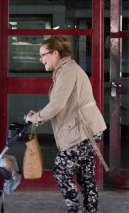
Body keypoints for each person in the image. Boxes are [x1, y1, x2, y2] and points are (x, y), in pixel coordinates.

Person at [25, 36, 107, 213]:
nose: (41, 59)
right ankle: (90, 211)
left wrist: (36, 118)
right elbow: (62, 102)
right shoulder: (66, 70)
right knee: (86, 175)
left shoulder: (67, 70)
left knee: (61, 171)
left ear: (55, 53)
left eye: (43, 55)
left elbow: (57, 104)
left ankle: (74, 210)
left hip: (83, 131)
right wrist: (37, 114)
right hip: (88, 129)